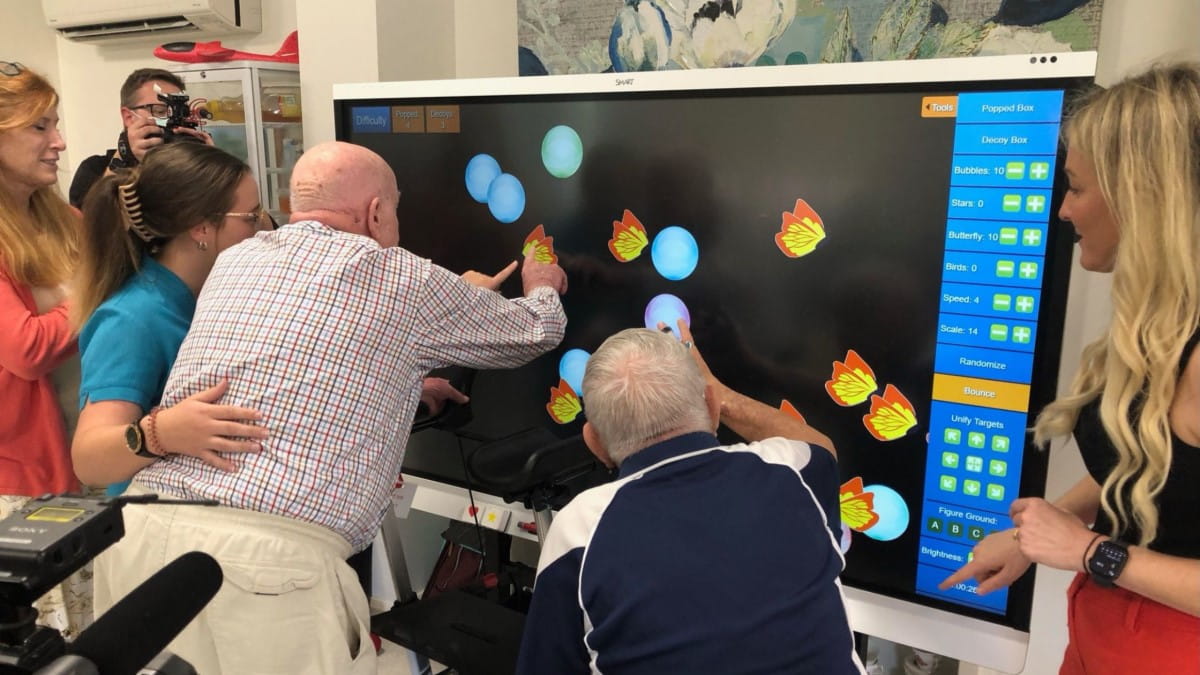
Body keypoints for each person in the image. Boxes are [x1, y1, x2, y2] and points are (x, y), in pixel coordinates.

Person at [92, 141, 569, 674]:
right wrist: (543, 285)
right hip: (264, 570)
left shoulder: (235, 260)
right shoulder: (401, 277)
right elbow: (535, 332)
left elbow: (291, 366)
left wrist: (400, 382)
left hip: (141, 543)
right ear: (376, 212)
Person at [941, 62, 1200, 674]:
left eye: (1076, 187)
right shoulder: (1164, 324)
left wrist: (1088, 551)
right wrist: (1039, 534)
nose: (1063, 210)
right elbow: (1151, 466)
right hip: (1104, 631)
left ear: (1142, 198)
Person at [517, 320, 865, 674]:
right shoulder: (790, 472)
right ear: (711, 406)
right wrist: (720, 394)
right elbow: (820, 447)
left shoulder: (580, 530)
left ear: (594, 443)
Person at [71, 142, 271, 496]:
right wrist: (163, 433)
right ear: (200, 228)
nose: (263, 231)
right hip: (156, 525)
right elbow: (89, 460)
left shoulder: (211, 295)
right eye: (251, 218)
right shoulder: (132, 318)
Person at [0, 60, 89, 637]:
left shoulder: (67, 220)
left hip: (91, 455)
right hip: (24, 484)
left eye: (56, 124)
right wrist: (97, 282)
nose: (59, 142)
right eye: (39, 127)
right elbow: (27, 351)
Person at [67, 68, 209, 208]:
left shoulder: (189, 169)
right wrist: (123, 159)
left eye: (180, 113)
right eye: (160, 111)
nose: (172, 122)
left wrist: (210, 166)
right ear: (128, 117)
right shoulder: (95, 168)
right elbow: (88, 224)